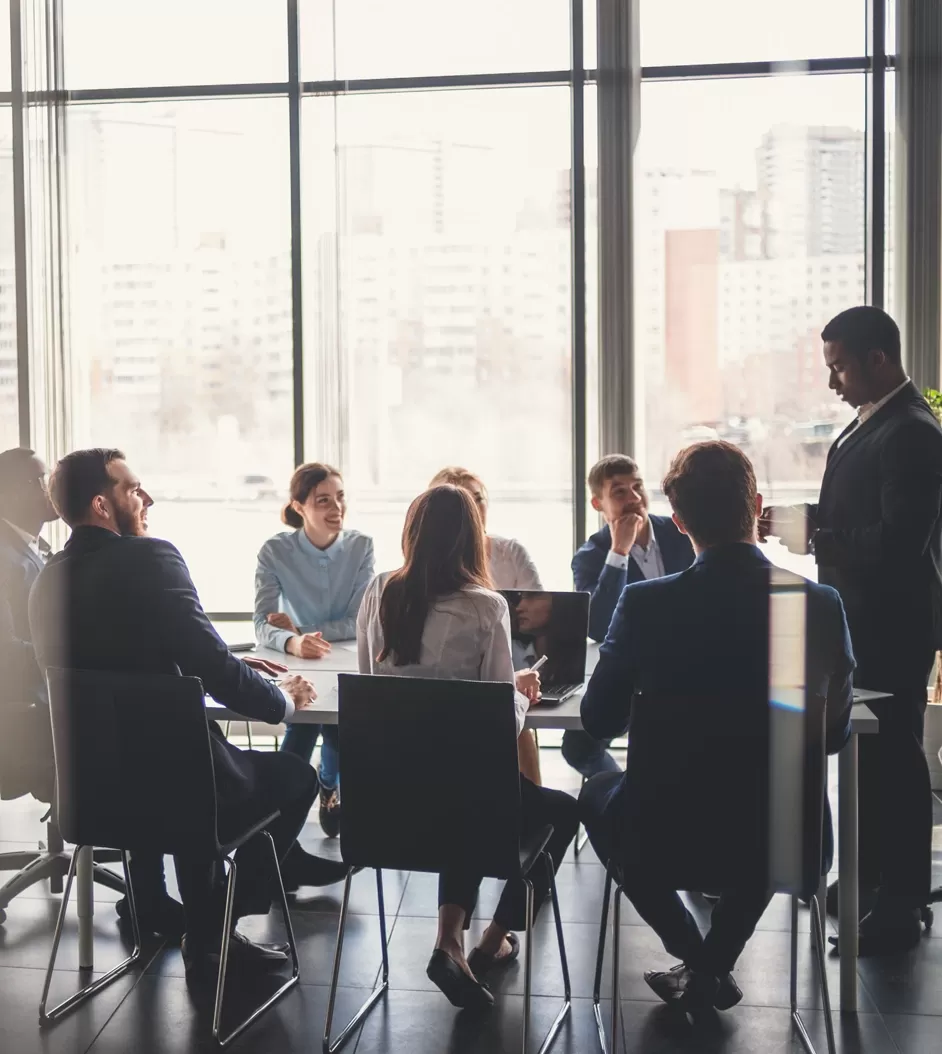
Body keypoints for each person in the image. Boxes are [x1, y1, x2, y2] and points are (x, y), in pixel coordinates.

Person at [29, 448, 348, 980]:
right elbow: (218, 673)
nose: (147, 497)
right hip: (181, 789)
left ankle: (151, 906)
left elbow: (115, 664)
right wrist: (284, 700)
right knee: (296, 778)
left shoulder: (46, 581)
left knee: (180, 763)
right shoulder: (152, 558)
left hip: (94, 792)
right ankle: (213, 928)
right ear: (101, 505)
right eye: (134, 488)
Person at [580, 441, 855, 1015]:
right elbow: (831, 737)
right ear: (756, 504)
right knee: (768, 806)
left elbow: (597, 721)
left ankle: (696, 956)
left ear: (678, 522)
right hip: (790, 839)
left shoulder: (647, 604)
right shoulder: (818, 603)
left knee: (597, 795)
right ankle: (714, 962)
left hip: (666, 831)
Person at [761, 306, 942, 955]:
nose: (832, 381)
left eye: (838, 366)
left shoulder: (913, 433)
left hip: (890, 627)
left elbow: (899, 542)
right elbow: (851, 512)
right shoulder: (869, 426)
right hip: (861, 621)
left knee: (893, 758)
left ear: (877, 360)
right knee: (868, 758)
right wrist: (793, 519)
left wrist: (821, 536)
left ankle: (899, 902)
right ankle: (870, 880)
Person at [357, 484, 579, 1010]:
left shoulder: (378, 590)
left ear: (411, 534)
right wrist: (521, 692)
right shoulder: (485, 607)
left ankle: (450, 942)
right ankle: (491, 938)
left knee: (469, 790)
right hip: (470, 808)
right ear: (472, 541)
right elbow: (500, 724)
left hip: (387, 809)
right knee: (557, 812)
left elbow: (368, 686)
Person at [255, 463, 374, 838]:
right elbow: (262, 624)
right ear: (299, 506)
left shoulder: (361, 546)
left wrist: (300, 631)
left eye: (340, 497)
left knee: (338, 719)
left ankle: (319, 790)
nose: (336, 507)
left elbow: (359, 620)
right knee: (304, 717)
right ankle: (284, 813)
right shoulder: (275, 551)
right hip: (296, 660)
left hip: (348, 660)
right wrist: (290, 642)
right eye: (323, 500)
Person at [566, 455, 695, 779]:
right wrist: (618, 553)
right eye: (619, 492)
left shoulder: (682, 533)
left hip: (689, 665)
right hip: (631, 671)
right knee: (578, 746)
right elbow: (597, 627)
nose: (634, 498)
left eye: (637, 487)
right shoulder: (590, 556)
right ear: (598, 503)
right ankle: (625, 793)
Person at [429, 466, 544, 784]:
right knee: (510, 714)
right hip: (470, 683)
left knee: (517, 712)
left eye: (477, 498)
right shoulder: (483, 602)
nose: (471, 510)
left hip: (515, 659)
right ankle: (524, 810)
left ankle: (525, 801)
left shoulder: (510, 552)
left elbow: (537, 614)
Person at [0, 449, 58, 804]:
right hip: (23, 718)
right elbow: (4, 655)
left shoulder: (31, 548)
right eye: (41, 481)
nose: (50, 487)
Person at [428, 467, 542, 590]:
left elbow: (539, 605)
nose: (474, 510)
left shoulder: (512, 553)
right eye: (463, 503)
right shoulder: (427, 562)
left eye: (478, 499)